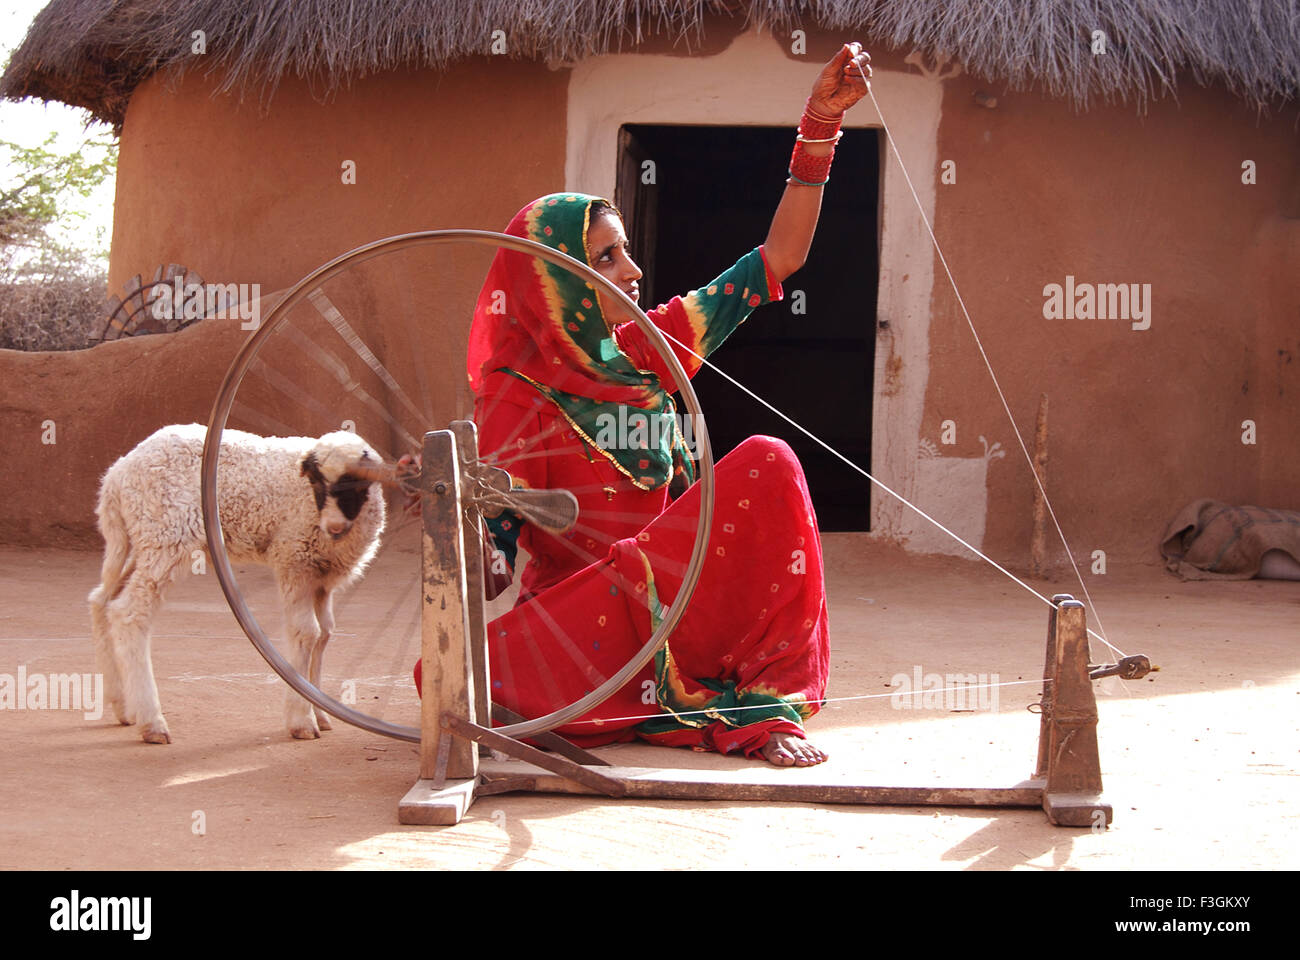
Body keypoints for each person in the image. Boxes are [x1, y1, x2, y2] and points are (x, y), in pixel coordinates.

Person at [417, 42, 872, 767]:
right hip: (587, 621)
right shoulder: (514, 396)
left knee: (769, 461)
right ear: (550, 279)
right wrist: (473, 538)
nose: (632, 271)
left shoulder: (650, 349)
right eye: (605, 257)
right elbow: (496, 554)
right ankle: (600, 695)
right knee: (452, 682)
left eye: (625, 250)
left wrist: (819, 127)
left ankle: (758, 700)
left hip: (675, 604)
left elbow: (778, 259)